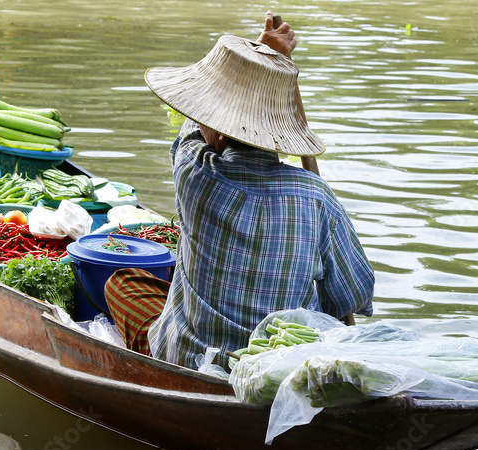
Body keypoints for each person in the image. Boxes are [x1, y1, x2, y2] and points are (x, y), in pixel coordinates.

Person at [103, 12, 375, 369]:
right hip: (279, 364)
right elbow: (354, 296)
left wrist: (261, 52)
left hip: (193, 361)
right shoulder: (316, 196)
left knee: (122, 282)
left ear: (215, 127)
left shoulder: (195, 174)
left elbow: (192, 126)